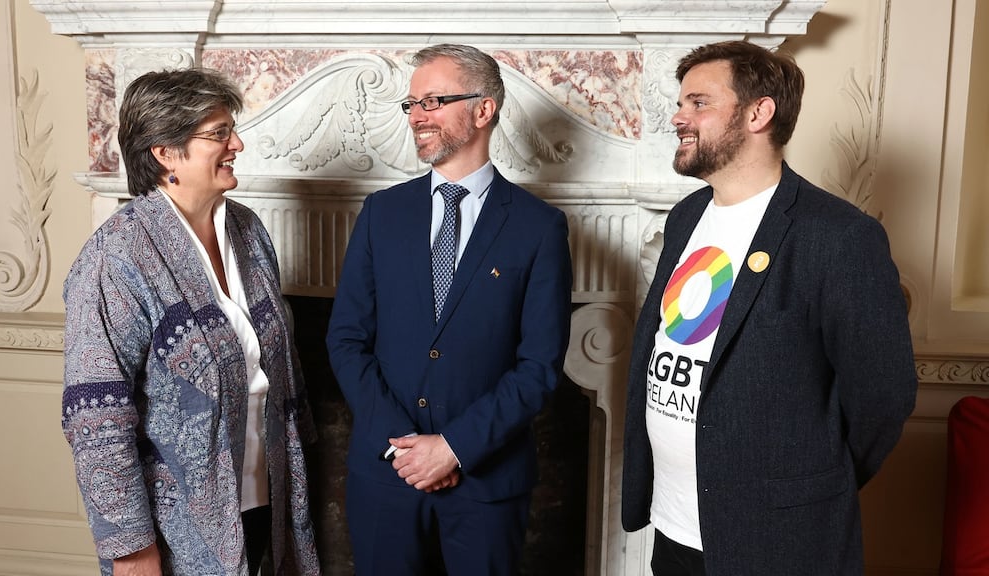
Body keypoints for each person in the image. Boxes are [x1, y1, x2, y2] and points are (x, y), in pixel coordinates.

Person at [621, 40, 917, 575]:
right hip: (674, 526)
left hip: (776, 541)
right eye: (681, 102)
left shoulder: (840, 238)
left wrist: (807, 488)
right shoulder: (687, 216)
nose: (678, 116)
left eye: (698, 103)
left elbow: (882, 398)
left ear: (759, 113)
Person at [61, 68, 321, 576]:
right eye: (218, 133)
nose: (237, 143)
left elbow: (282, 372)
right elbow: (96, 416)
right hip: (177, 527)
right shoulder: (115, 257)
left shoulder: (248, 231)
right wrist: (132, 550)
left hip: (267, 498)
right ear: (164, 152)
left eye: (232, 129)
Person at [325, 43, 572, 576]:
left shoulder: (538, 228)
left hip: (488, 483)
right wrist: (405, 450)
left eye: (433, 101)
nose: (417, 117)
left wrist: (454, 448)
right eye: (411, 104)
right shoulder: (381, 214)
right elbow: (346, 340)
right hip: (386, 479)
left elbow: (539, 367)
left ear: (483, 110)